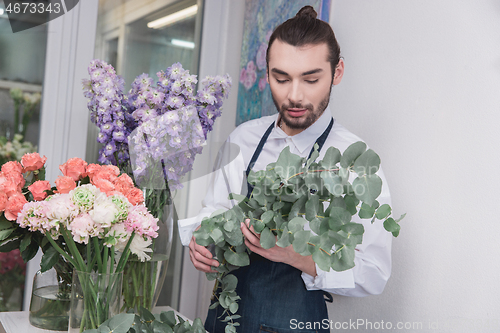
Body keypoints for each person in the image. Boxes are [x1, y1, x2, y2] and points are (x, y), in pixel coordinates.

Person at [178, 6, 392, 332]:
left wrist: (298, 256)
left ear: (337, 72)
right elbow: (213, 214)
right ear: (267, 74)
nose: (294, 95)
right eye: (281, 78)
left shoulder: (357, 165)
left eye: (311, 79)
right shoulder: (244, 139)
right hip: (224, 322)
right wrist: (202, 242)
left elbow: (374, 273)